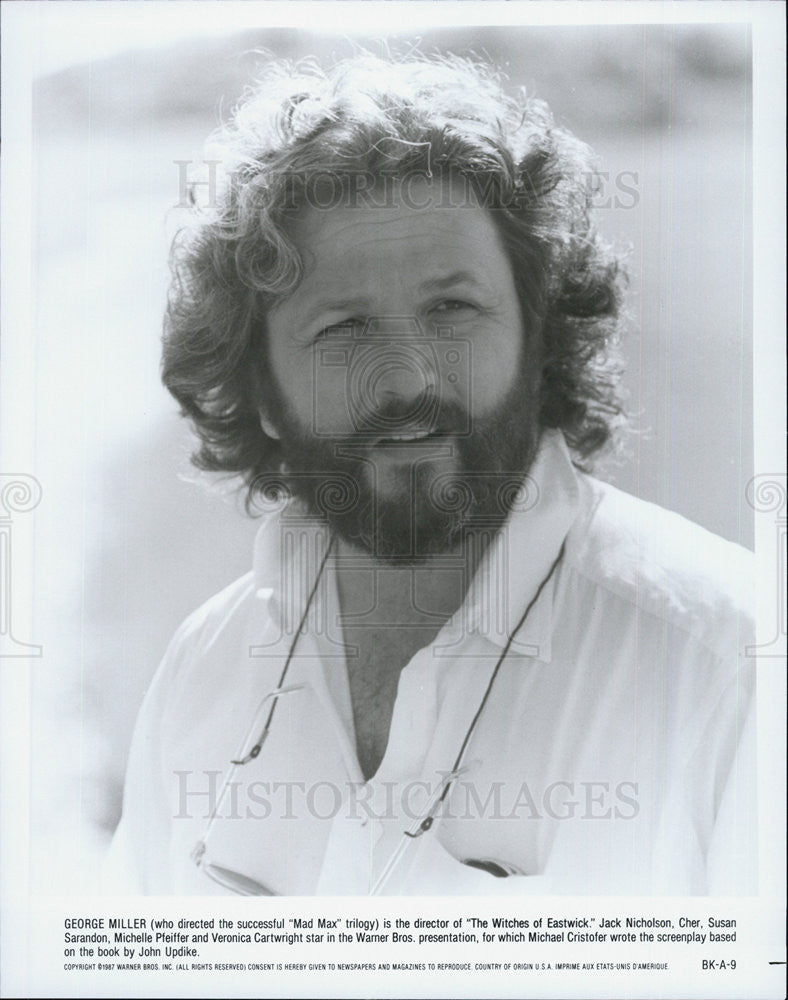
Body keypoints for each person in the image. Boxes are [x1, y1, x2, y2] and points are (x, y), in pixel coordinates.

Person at [106, 53, 755, 895]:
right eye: (341, 328)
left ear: (540, 335)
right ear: (257, 386)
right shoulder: (207, 665)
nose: (406, 379)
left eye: (452, 308)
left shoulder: (731, 665)